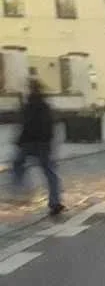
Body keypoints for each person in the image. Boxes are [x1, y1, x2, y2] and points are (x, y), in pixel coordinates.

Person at [12, 79, 64, 217]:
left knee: (18, 165)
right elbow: (50, 125)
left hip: (29, 142)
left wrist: (20, 140)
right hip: (42, 143)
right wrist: (50, 142)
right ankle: (54, 201)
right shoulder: (44, 105)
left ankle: (21, 189)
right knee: (50, 172)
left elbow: (25, 124)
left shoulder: (28, 105)